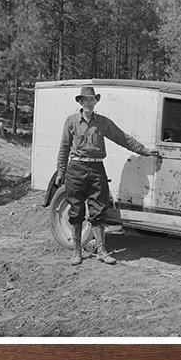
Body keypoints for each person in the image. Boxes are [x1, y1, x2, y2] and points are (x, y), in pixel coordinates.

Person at [55, 85, 159, 267]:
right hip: (76, 169)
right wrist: (61, 172)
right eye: (85, 100)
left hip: (96, 169)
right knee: (76, 210)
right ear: (80, 102)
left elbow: (122, 138)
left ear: (96, 101)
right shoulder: (71, 121)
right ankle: (77, 252)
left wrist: (144, 151)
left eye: (92, 99)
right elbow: (64, 148)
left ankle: (102, 251)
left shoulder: (102, 122)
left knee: (99, 210)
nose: (89, 103)